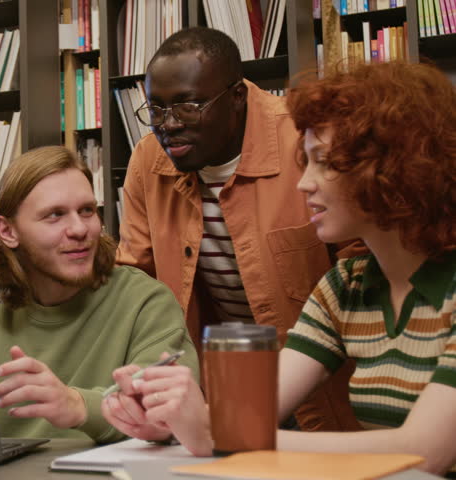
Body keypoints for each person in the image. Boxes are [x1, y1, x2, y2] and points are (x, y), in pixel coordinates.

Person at [105, 61, 456, 474]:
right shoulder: (345, 286)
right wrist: (167, 419)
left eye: (324, 161)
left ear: (397, 169)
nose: (304, 183)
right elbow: (252, 414)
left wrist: (219, 433)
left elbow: (429, 450)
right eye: (305, 161)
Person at [115, 26, 358, 431]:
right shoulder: (147, 161)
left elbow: (361, 266)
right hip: (217, 382)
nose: (168, 125)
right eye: (155, 109)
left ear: (237, 97)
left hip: (321, 383)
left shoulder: (306, 141)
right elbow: (136, 280)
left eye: (188, 106)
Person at [0, 145, 200, 448]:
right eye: (55, 215)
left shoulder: (146, 302)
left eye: (87, 210)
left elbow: (171, 417)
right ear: (8, 231)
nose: (79, 229)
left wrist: (76, 406)